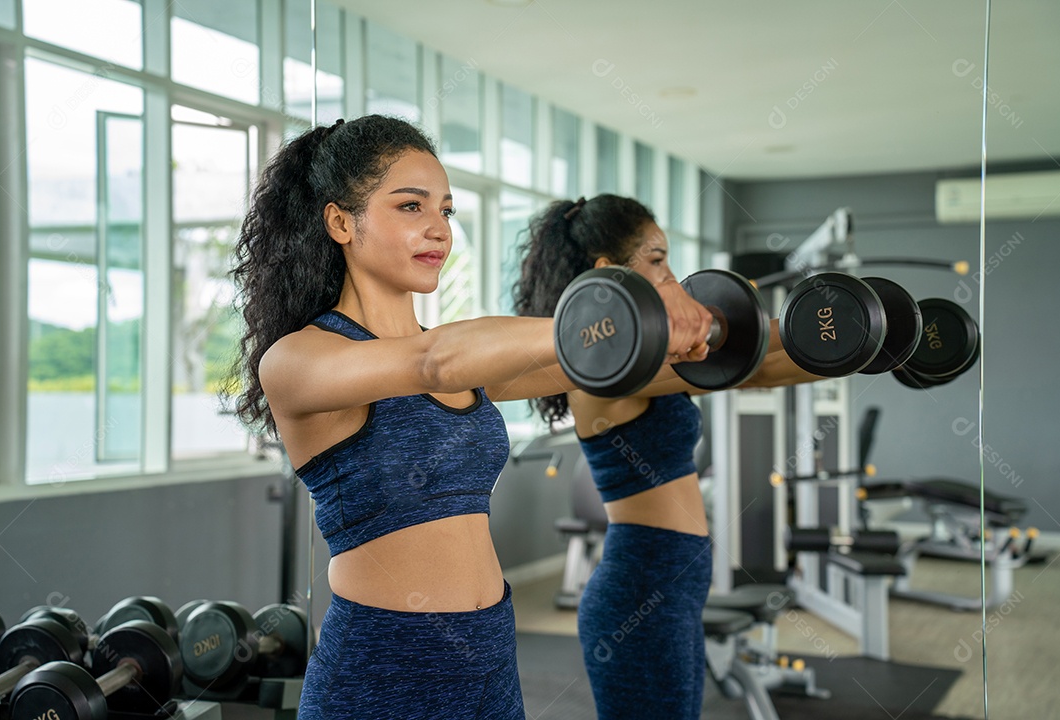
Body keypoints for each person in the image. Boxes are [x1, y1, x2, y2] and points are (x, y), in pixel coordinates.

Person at [228, 116, 713, 720]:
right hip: (387, 667)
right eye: (410, 206)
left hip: (489, 658)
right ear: (340, 222)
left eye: (447, 211)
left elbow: (593, 361)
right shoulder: (301, 358)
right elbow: (432, 363)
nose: (437, 229)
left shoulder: (458, 357)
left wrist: (674, 332)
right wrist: (635, 308)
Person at [513, 194, 821, 720]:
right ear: (609, 275)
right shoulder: (609, 371)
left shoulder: (647, 364)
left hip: (665, 588)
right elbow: (753, 362)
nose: (672, 277)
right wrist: (839, 339)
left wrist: (865, 347)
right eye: (657, 261)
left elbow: (758, 364)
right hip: (640, 593)